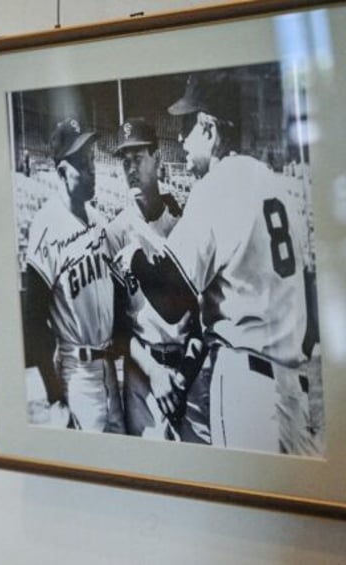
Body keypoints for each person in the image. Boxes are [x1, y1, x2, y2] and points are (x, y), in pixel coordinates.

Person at [120, 72, 321, 454]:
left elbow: (171, 300)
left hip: (248, 384)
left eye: (187, 126)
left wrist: (135, 257)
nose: (180, 138)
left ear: (209, 129)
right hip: (293, 386)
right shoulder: (276, 184)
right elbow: (311, 301)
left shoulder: (218, 185)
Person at [105, 118, 206, 441]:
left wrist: (183, 376)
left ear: (158, 159)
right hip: (144, 377)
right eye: (125, 160)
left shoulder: (184, 222)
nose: (130, 168)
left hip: (190, 370)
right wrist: (155, 374)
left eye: (138, 158)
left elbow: (204, 313)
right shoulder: (115, 233)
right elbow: (117, 328)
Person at [22, 118, 123, 433]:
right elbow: (34, 321)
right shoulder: (46, 227)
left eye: (92, 161)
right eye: (83, 164)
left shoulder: (98, 219)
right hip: (77, 373)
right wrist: (55, 397)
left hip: (109, 367)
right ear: (63, 172)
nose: (92, 171)